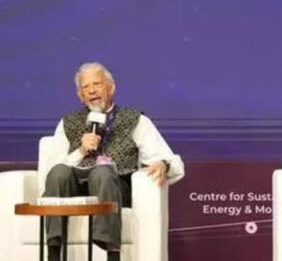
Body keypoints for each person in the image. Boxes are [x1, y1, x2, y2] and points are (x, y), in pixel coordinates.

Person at [43, 62, 184, 261]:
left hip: (115, 187)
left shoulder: (134, 119)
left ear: (111, 88)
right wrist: (81, 150)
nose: (92, 91)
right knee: (59, 172)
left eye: (97, 84)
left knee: (102, 171)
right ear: (80, 95)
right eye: (85, 87)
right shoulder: (68, 122)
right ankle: (53, 252)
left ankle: (112, 253)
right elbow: (52, 169)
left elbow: (171, 161)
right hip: (76, 188)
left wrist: (164, 164)